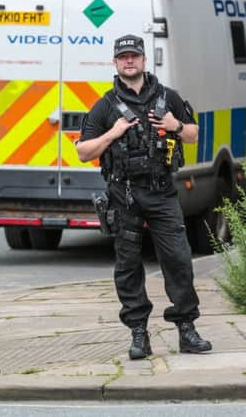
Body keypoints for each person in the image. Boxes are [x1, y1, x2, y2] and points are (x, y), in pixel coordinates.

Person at [76, 35, 212, 360]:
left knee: (178, 259)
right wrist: (113, 133)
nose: (129, 61)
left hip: (162, 191)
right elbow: (83, 151)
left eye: (133, 56)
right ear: (115, 63)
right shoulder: (106, 105)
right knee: (128, 265)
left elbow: (193, 134)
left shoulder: (168, 97)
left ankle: (186, 329)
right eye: (122, 57)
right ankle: (139, 334)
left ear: (143, 60)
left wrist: (174, 124)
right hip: (123, 195)